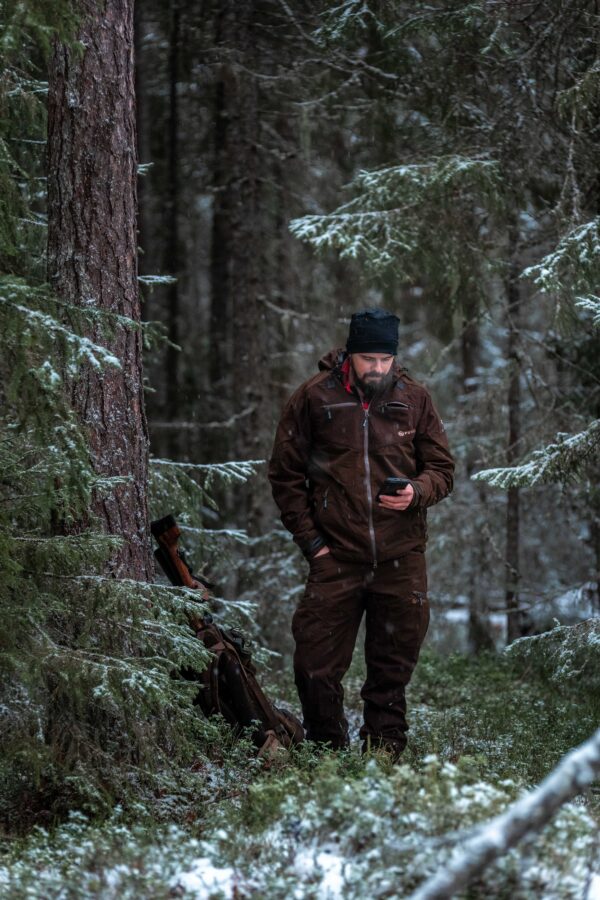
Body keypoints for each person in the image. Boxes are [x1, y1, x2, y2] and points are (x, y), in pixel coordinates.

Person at [268, 308, 455, 760]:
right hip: (335, 559)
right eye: (367, 358)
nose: (376, 368)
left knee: (392, 666)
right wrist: (313, 544)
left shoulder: (416, 400)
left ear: (394, 358)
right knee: (314, 665)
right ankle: (326, 753)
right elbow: (285, 476)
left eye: (384, 359)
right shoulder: (314, 398)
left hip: (401, 556)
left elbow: (443, 471)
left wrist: (417, 491)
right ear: (350, 354)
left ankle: (383, 754)